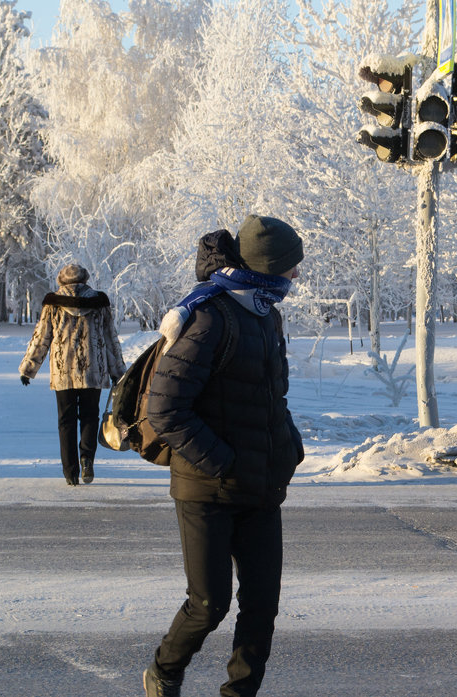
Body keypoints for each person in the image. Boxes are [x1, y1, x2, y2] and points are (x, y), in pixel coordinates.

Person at [143, 215, 305, 697]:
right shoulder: (210, 317)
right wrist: (222, 461)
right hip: (207, 487)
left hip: (260, 484)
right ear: (267, 267)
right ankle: (165, 669)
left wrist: (288, 447)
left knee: (262, 606)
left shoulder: (265, 311)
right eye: (291, 266)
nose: (297, 276)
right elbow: (166, 407)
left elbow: (270, 394)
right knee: (209, 603)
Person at [19, 263, 126, 485]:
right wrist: (118, 371)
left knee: (66, 421)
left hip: (63, 372)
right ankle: (87, 459)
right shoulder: (99, 302)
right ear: (85, 279)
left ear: (62, 280)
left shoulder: (53, 303)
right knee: (89, 417)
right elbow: (110, 339)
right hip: (93, 371)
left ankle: (70, 472)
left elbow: (41, 338)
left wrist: (29, 369)